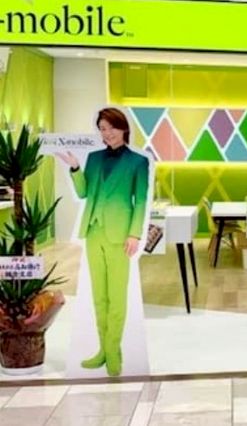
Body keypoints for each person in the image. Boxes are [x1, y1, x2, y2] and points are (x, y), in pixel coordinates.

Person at [56, 108, 150, 377]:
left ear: (124, 128)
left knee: (117, 296)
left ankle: (112, 352)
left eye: (111, 127)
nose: (107, 133)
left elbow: (141, 201)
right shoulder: (94, 158)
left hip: (120, 235)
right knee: (99, 296)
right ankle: (103, 351)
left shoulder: (138, 162)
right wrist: (75, 167)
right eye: (102, 129)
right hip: (94, 232)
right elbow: (84, 192)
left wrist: (135, 234)